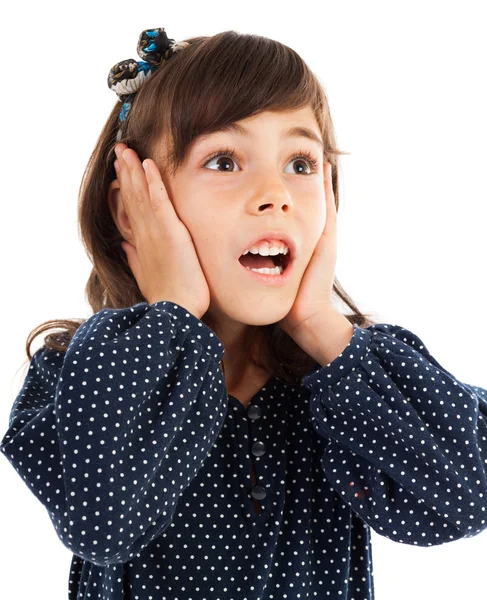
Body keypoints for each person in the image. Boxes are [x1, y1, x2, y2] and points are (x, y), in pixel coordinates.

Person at [1, 26, 487, 600]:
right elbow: (103, 524)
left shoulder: (352, 377)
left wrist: (318, 324)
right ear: (132, 208)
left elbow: (466, 498)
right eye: (225, 161)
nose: (274, 193)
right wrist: (173, 315)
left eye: (301, 165)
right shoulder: (79, 373)